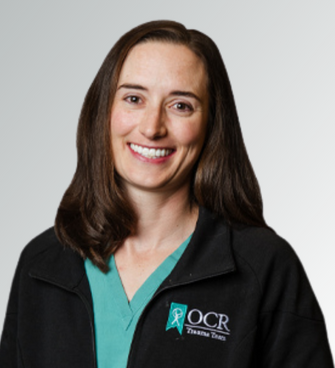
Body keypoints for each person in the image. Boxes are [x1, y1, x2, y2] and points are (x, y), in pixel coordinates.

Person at [0, 20, 333, 368]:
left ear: (212, 126)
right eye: (133, 98)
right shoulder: (42, 264)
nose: (151, 127)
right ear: (103, 112)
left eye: (181, 106)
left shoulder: (263, 267)